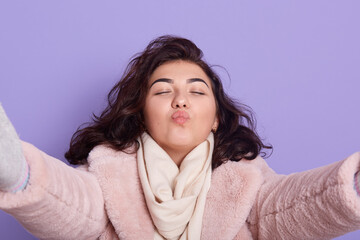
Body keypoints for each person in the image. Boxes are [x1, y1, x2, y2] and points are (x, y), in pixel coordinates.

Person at [0, 35, 360, 240]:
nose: (181, 99)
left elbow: (290, 208)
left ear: (217, 118)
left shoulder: (246, 180)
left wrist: (354, 186)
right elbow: (76, 207)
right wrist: (19, 173)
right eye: (162, 91)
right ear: (140, 113)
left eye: (197, 91)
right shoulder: (108, 172)